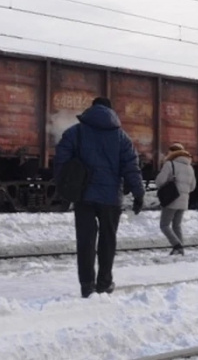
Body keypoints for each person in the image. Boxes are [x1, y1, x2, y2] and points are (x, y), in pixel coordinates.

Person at [53, 97, 146, 298]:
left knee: (85, 241)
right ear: (111, 112)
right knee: (107, 240)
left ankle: (87, 285)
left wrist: (63, 189)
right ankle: (104, 283)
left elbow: (61, 161)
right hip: (111, 198)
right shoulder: (122, 137)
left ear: (92, 108)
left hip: (83, 196)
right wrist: (138, 193)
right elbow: (131, 166)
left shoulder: (75, 132)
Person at [154, 143, 197, 255]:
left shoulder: (169, 164)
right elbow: (192, 187)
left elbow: (159, 182)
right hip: (184, 201)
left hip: (171, 199)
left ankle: (177, 245)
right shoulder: (190, 167)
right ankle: (180, 249)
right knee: (176, 225)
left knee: (164, 225)